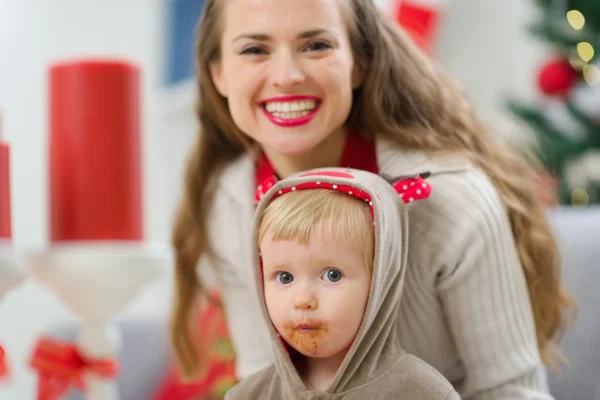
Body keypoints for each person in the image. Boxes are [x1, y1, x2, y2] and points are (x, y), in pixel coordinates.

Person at [169, 0, 576, 398]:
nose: (287, 75)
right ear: (218, 74)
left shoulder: (451, 199)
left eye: (316, 45)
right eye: (255, 50)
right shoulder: (229, 201)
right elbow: (266, 377)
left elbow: (512, 390)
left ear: (359, 63)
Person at [224, 167, 461, 399]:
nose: (303, 299)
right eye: (285, 277)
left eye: (332, 275)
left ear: (380, 282)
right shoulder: (248, 394)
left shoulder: (423, 393)